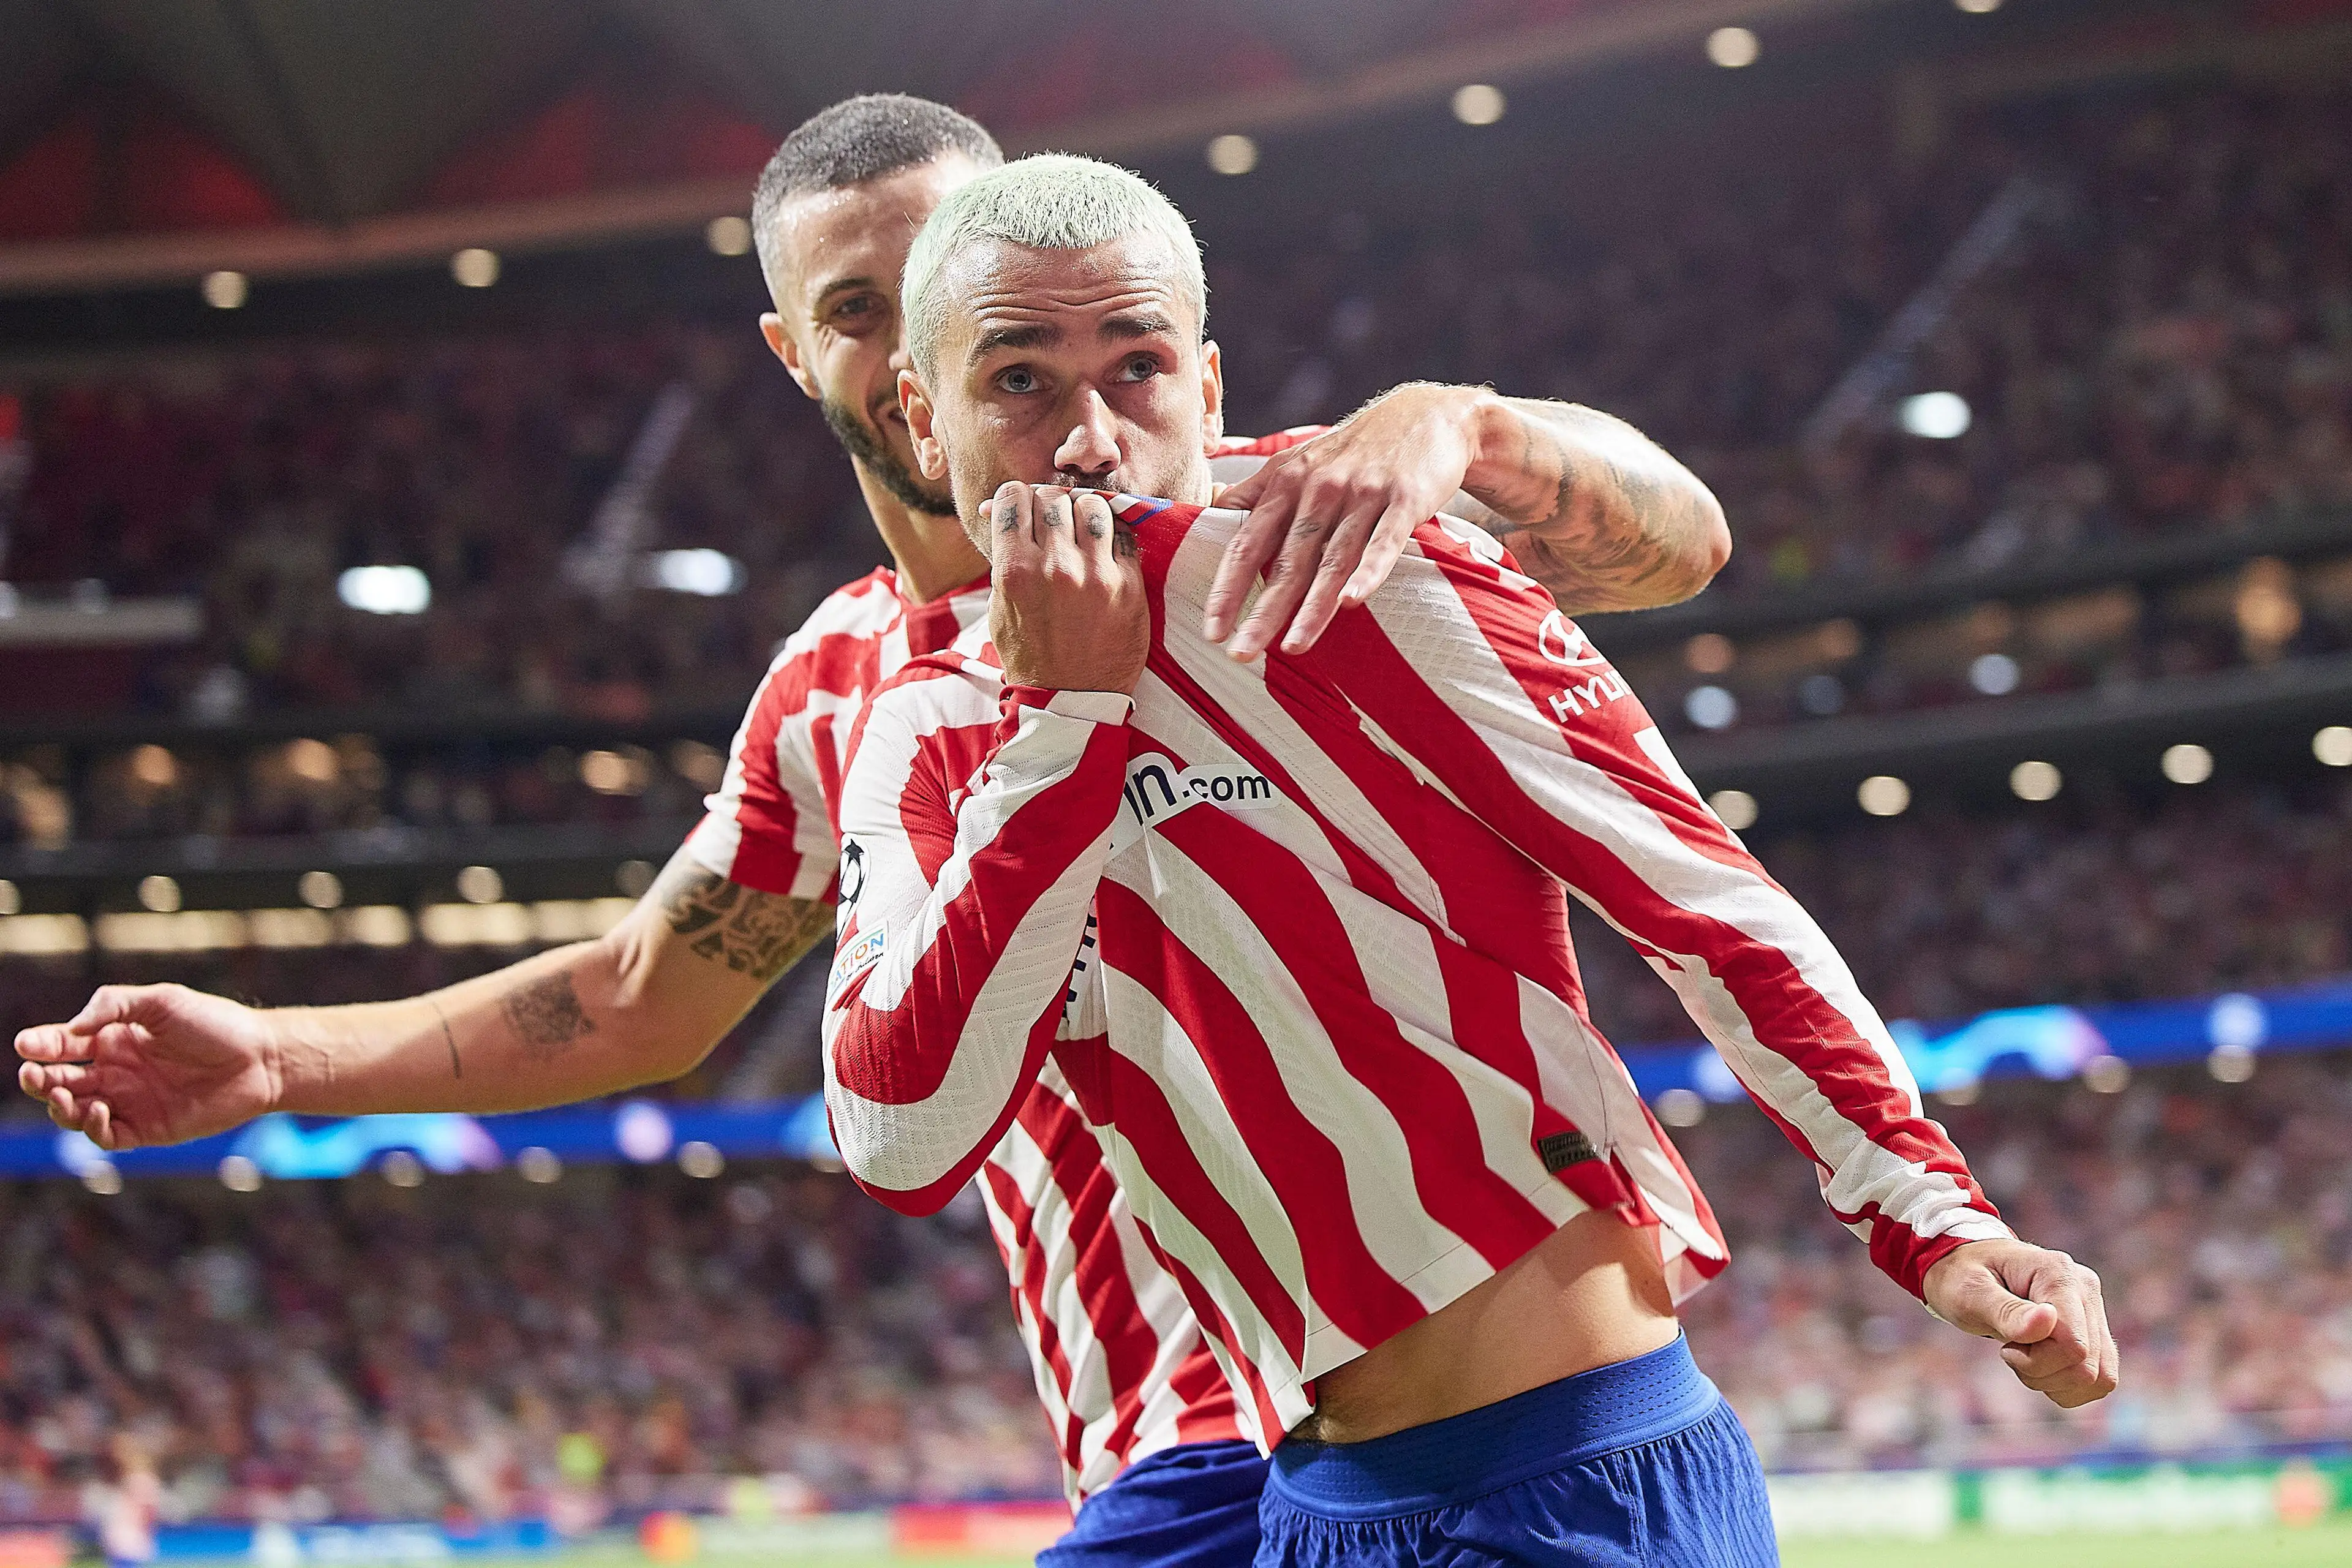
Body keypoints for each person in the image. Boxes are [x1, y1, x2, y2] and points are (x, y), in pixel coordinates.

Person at [12, 102, 1730, 1564]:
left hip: (1331, 1417)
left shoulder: (1265, 532)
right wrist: (282, 1054)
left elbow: (1680, 549)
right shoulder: (834, 687)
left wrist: (1479, 425)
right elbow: (639, 998)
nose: (916, 322)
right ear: (814, 355)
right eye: (858, 303)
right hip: (1165, 1447)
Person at [822, 153, 2119, 1566]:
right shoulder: (928, 735)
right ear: (921, 421)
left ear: (1204, 384)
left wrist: (1936, 1219)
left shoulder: (1350, 565)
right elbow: (900, 1132)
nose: (1087, 441)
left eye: (1133, 370)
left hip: (1571, 1469)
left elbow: (1703, 901)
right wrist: (1063, 717)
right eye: (1018, 382)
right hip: (1314, 1497)